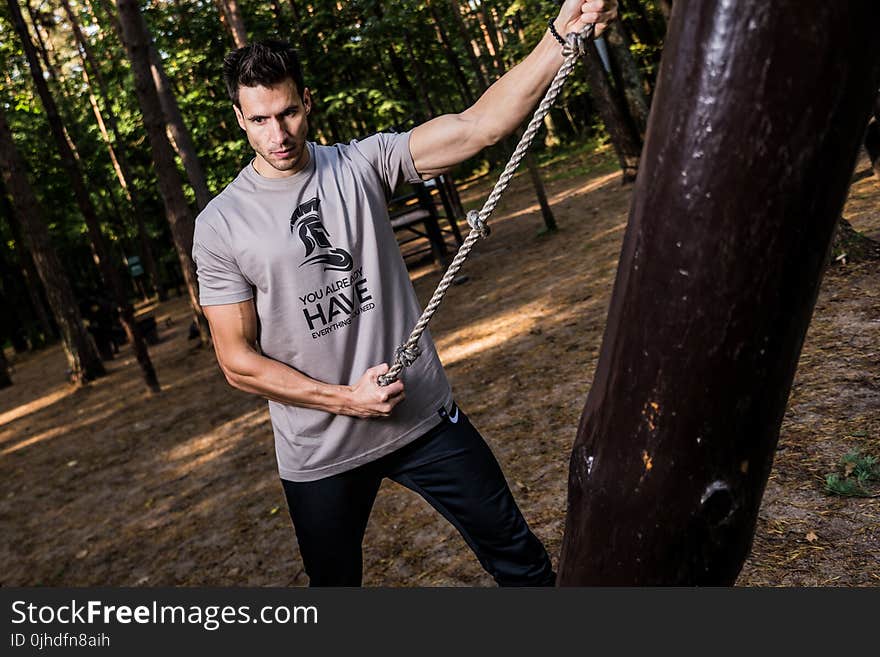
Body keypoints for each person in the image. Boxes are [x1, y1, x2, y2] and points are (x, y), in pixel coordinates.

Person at [193, 0, 618, 586]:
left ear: (306, 101)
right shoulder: (222, 223)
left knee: (521, 561)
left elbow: (479, 126)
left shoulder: (360, 166)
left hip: (421, 417)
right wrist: (347, 400)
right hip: (320, 449)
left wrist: (559, 35)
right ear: (239, 119)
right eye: (260, 119)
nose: (279, 132)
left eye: (288, 112)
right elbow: (237, 363)